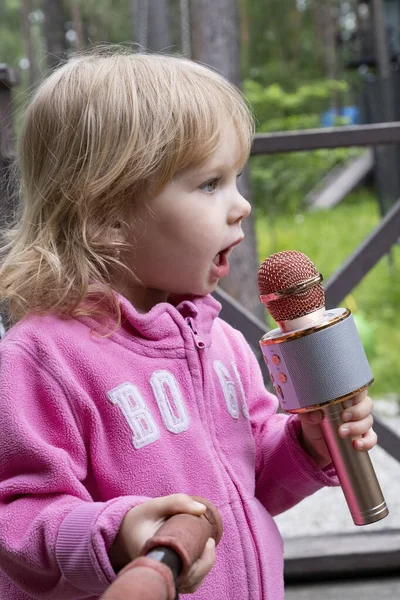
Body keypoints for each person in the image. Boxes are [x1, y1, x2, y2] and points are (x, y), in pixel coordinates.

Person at [0, 50, 377, 600]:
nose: (241, 205)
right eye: (210, 184)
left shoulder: (221, 342)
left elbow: (252, 477)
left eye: (237, 179)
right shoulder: (45, 357)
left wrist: (306, 444)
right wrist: (116, 534)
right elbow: (17, 515)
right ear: (105, 212)